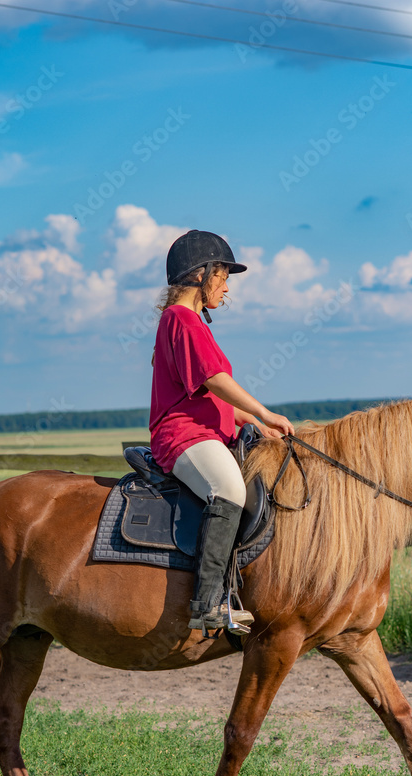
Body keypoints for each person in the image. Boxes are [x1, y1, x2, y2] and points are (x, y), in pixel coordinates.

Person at [149, 230, 295, 634]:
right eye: (223, 276)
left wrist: (255, 424)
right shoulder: (181, 319)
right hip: (183, 435)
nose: (227, 287)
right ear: (202, 275)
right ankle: (207, 602)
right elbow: (214, 380)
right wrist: (263, 410)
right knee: (228, 490)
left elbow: (215, 400)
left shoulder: (189, 322)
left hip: (207, 432)